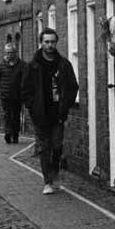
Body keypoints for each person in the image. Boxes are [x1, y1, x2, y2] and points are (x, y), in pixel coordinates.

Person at [21, 28, 78, 194]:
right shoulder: (33, 66)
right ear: (41, 43)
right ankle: (47, 181)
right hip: (40, 114)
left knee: (57, 145)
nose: (49, 45)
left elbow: (73, 86)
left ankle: (55, 173)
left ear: (56, 43)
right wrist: (32, 107)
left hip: (58, 113)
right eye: (46, 42)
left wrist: (65, 105)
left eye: (52, 42)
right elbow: (25, 89)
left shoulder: (64, 64)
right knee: (45, 148)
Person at [0, 42, 24, 144]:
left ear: (15, 53)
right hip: (5, 96)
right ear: (5, 53)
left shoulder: (22, 65)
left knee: (16, 116)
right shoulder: (0, 66)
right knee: (7, 115)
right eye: (7, 52)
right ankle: (7, 133)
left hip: (17, 96)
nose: (9, 54)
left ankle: (15, 134)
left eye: (11, 52)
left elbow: (25, 80)